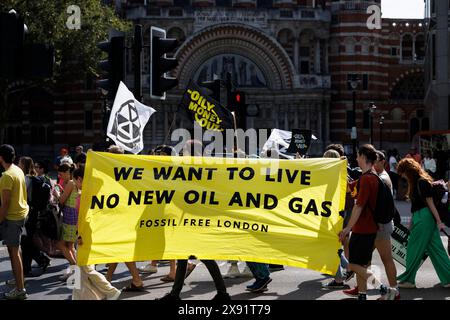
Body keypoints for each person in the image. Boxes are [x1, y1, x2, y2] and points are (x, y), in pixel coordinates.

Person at [138, 145, 195, 282]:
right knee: (162, 239)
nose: (159, 156)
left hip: (170, 211)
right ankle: (181, 266)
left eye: (162, 153)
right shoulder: (161, 168)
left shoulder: (173, 169)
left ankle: (174, 271)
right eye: (158, 153)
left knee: (169, 240)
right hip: (161, 209)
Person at [396, 158, 450, 288]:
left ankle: (409, 280)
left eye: (402, 173)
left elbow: (430, 204)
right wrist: (412, 221)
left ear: (408, 171)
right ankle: (448, 279)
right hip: (423, 218)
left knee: (413, 249)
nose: (402, 176)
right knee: (437, 250)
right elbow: (419, 205)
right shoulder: (421, 181)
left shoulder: (420, 182)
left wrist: (439, 221)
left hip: (423, 218)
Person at [71, 166, 121, 300]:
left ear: (80, 179)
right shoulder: (93, 194)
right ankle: (82, 296)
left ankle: (111, 291)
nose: (74, 183)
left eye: (74, 180)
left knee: (85, 268)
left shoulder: (83, 197)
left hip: (85, 234)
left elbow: (84, 219)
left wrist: (79, 234)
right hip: (91, 233)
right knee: (81, 269)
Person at [339, 144, 381, 301]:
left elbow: (359, 205)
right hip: (367, 228)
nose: (356, 158)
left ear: (363, 157)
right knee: (361, 265)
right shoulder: (369, 177)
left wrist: (347, 228)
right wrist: (339, 169)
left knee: (352, 265)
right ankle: (362, 295)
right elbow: (349, 189)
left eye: (357, 155)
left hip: (362, 229)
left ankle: (382, 287)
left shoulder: (367, 179)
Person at [104, 145, 145, 292]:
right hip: (124, 215)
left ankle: (136, 280)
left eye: (109, 154)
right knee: (117, 248)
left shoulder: (116, 171)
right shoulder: (128, 169)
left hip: (119, 215)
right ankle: (108, 280)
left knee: (120, 248)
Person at [0, 145, 29, 299]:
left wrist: (0, 220)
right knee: (17, 250)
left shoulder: (6, 176)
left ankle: (20, 289)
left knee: (13, 252)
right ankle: (20, 280)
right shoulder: (17, 170)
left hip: (12, 218)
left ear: (1, 158)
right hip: (21, 214)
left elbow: (5, 203)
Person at [18, 157, 51, 277]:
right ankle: (39, 261)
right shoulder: (37, 178)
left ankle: (27, 269)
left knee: (26, 242)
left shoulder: (26, 179)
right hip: (34, 214)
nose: (18, 165)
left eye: (20, 163)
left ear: (23, 166)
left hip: (27, 215)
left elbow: (22, 198)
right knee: (27, 241)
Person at [53, 164, 79, 280]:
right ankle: (75, 270)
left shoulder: (71, 183)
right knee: (70, 245)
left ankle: (75, 266)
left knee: (60, 244)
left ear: (68, 172)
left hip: (70, 215)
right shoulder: (74, 182)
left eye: (61, 173)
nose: (60, 176)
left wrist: (57, 194)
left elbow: (62, 200)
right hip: (74, 214)